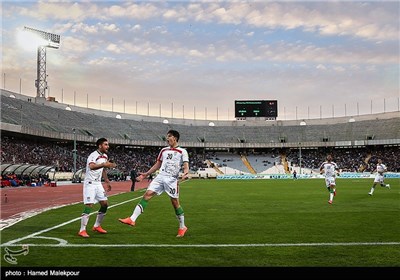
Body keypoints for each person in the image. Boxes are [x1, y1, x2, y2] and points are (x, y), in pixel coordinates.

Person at [119, 129, 189, 237]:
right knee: (147, 194)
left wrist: (186, 172)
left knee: (175, 203)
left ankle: (182, 226)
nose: (167, 138)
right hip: (160, 177)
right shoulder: (164, 150)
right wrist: (146, 174)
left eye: (169, 136)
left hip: (171, 180)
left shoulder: (182, 151)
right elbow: (158, 164)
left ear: (175, 138)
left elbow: (185, 164)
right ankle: (132, 219)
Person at [78, 138, 116, 238]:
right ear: (100, 146)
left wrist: (107, 181)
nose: (108, 146)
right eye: (106, 144)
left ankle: (97, 226)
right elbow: (92, 166)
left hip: (98, 183)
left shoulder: (105, 156)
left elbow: (102, 169)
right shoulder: (93, 155)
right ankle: (82, 230)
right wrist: (104, 164)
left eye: (108, 145)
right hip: (90, 184)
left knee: (105, 204)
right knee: (89, 205)